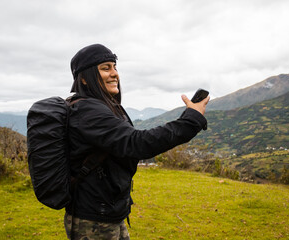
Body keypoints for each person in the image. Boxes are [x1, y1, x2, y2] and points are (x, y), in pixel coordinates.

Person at [64, 43, 209, 240]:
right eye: (105, 68)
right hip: (94, 218)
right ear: (84, 78)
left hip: (108, 210)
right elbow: (137, 144)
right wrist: (190, 121)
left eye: (114, 67)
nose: (114, 73)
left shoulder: (102, 106)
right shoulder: (88, 111)